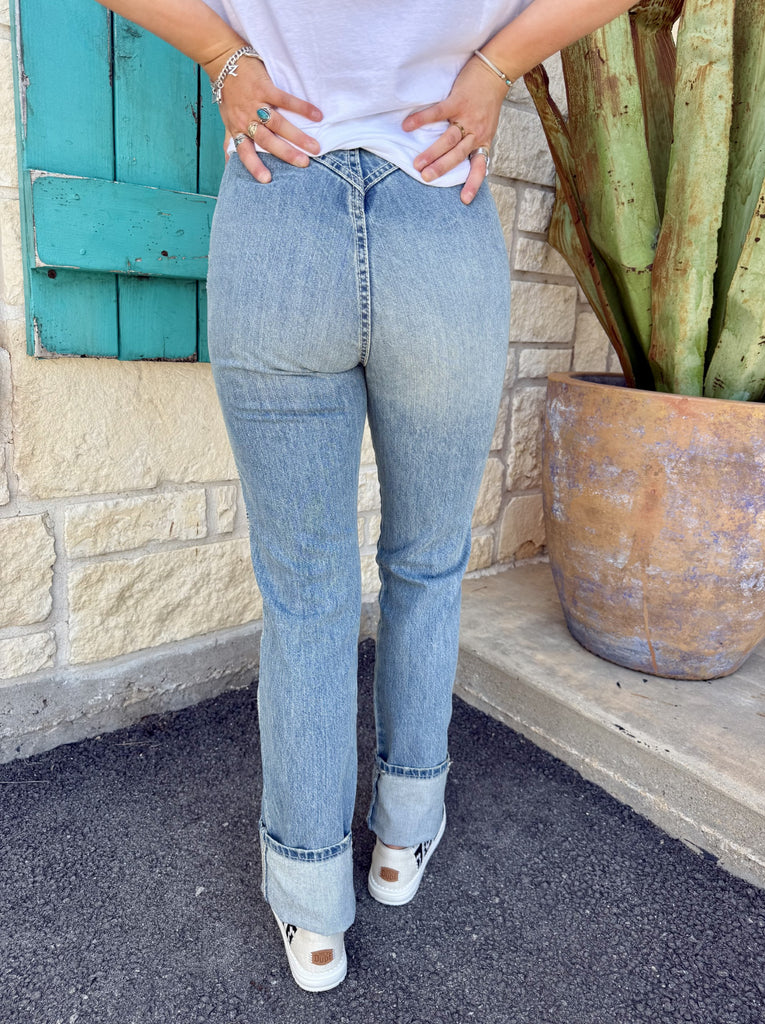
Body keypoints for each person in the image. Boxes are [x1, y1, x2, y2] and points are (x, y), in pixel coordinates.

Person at [98, 0, 636, 992]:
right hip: (437, 201)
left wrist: (222, 54)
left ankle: (311, 900)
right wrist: (497, 65)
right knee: (427, 561)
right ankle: (402, 834)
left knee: (305, 590)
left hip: (279, 201)